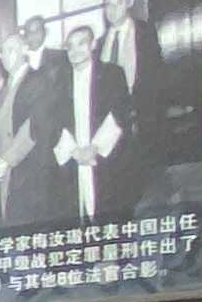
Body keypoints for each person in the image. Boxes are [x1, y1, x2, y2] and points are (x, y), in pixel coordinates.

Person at [46, 19, 135, 225]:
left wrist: (94, 148)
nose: (74, 51)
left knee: (110, 217)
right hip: (74, 158)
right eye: (70, 46)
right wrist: (74, 151)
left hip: (105, 158)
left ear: (93, 44)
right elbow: (55, 121)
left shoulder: (112, 73)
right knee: (78, 217)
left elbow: (119, 113)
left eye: (81, 44)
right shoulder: (59, 81)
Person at [0, 16, 69, 231]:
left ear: (23, 51)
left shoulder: (38, 79)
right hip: (7, 170)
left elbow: (34, 125)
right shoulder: (4, 88)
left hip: (30, 167)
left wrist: (8, 159)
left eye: (11, 50)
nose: (5, 56)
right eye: (2, 52)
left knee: (31, 229)